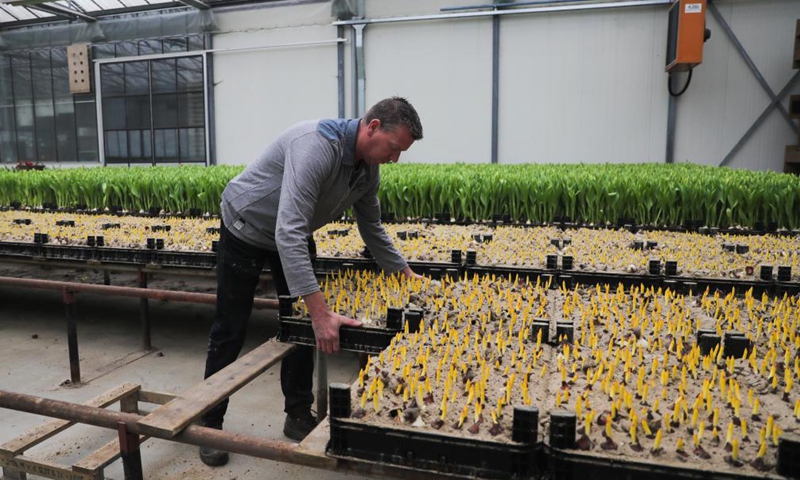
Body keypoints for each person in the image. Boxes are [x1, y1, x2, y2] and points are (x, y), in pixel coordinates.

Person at [199, 97, 424, 466]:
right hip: (247, 227)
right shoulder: (315, 147)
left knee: (301, 325)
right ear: (372, 128)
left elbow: (371, 227)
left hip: (290, 230)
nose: (395, 158)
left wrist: (406, 275)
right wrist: (321, 313)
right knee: (230, 328)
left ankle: (297, 413)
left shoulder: (367, 170)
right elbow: (289, 232)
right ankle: (209, 423)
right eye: (394, 148)